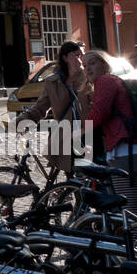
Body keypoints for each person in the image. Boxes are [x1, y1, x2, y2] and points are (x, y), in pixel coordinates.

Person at [82, 50, 137, 243]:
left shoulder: (106, 81)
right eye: (85, 65)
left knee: (134, 223)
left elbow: (99, 114)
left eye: (92, 63)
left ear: (105, 64)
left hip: (128, 157)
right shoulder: (122, 81)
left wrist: (73, 134)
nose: (88, 68)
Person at [19, 40, 87, 176]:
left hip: (86, 133)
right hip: (63, 134)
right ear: (65, 57)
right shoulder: (53, 81)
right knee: (69, 176)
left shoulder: (88, 78)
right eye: (76, 55)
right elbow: (40, 108)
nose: (80, 59)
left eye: (82, 55)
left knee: (84, 177)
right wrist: (21, 120)